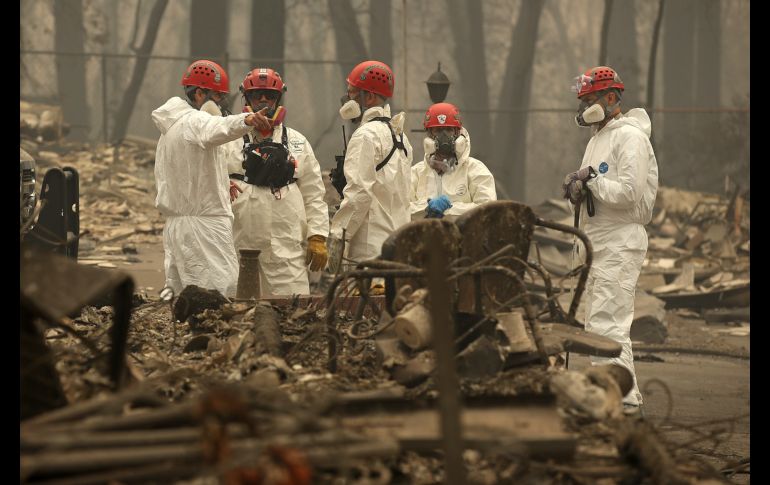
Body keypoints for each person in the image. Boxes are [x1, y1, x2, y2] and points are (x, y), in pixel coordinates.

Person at [562, 66, 659, 412]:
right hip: (599, 240)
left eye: (590, 99)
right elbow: (596, 191)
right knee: (597, 323)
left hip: (619, 240)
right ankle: (610, 396)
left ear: (612, 98)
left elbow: (630, 194)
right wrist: (578, 189)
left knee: (609, 323)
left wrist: (591, 183)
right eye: (583, 100)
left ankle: (623, 402)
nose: (585, 106)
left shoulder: (630, 137)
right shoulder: (597, 139)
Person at [152, 59, 271, 297]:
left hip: (180, 225)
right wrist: (245, 120)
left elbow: (182, 172)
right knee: (219, 292)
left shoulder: (173, 129)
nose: (220, 103)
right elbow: (219, 128)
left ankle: (185, 334)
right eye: (216, 96)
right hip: (203, 226)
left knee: (180, 294)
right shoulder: (196, 121)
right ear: (199, 94)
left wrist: (218, 182)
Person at [225, 67, 329, 295]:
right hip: (238, 246)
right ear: (246, 98)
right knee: (237, 312)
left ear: (279, 98)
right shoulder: (229, 140)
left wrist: (317, 235)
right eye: (256, 95)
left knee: (292, 309)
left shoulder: (297, 142)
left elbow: (313, 194)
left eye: (270, 96)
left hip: (285, 247)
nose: (264, 101)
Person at [327, 60, 413, 275]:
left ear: (370, 97)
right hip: (399, 248)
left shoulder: (366, 136)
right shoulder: (400, 137)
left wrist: (338, 235)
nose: (348, 100)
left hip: (369, 251)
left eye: (353, 93)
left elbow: (359, 192)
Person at [410, 102, 497, 221]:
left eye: (449, 130)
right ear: (429, 134)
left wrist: (449, 211)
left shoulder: (475, 170)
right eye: (437, 130)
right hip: (426, 239)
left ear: (458, 133)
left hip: (464, 239)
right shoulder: (416, 174)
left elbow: (489, 211)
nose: (443, 136)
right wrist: (427, 208)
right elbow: (400, 209)